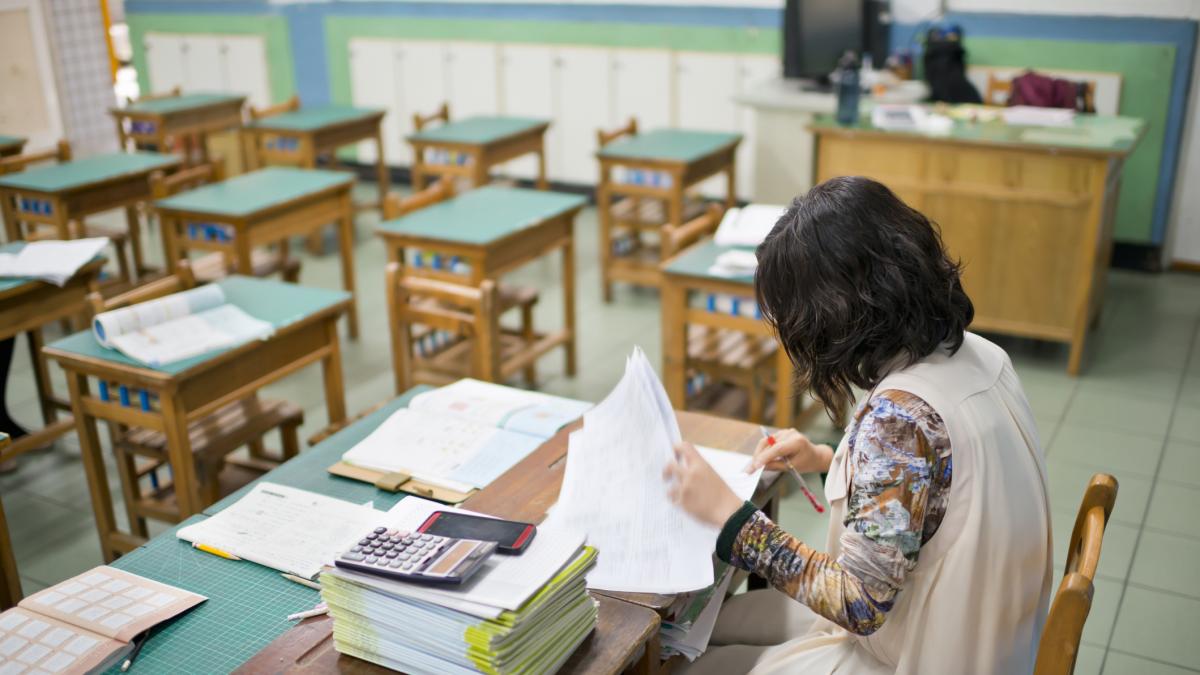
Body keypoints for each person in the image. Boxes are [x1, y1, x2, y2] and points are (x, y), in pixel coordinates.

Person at [664, 176, 1053, 674]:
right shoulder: (983, 355)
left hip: (921, 652)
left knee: (680, 659)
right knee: (699, 628)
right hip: (984, 634)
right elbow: (935, 489)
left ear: (832, 319)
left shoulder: (900, 422)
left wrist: (733, 521)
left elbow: (859, 604)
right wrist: (832, 460)